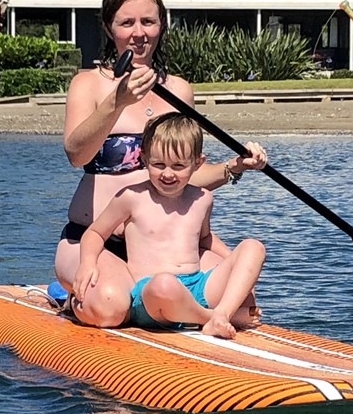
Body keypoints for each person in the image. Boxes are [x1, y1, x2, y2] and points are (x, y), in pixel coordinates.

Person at [54, 0, 267, 328]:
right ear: (109, 28)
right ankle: (74, 297)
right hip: (96, 242)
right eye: (127, 22)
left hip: (164, 249)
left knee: (243, 299)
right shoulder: (88, 84)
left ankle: (207, 316)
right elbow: (76, 153)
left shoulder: (179, 90)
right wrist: (116, 103)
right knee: (110, 307)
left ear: (161, 25)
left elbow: (186, 175)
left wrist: (235, 166)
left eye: (148, 21)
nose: (139, 32)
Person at [73, 112, 265, 338]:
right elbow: (95, 232)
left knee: (254, 247)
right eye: (158, 164)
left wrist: (234, 263)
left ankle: (220, 313)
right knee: (165, 284)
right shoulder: (131, 197)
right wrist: (88, 263)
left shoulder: (202, 198)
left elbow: (204, 239)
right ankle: (217, 318)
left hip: (197, 287)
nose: (167, 173)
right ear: (144, 160)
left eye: (178, 166)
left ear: (197, 163)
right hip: (151, 295)